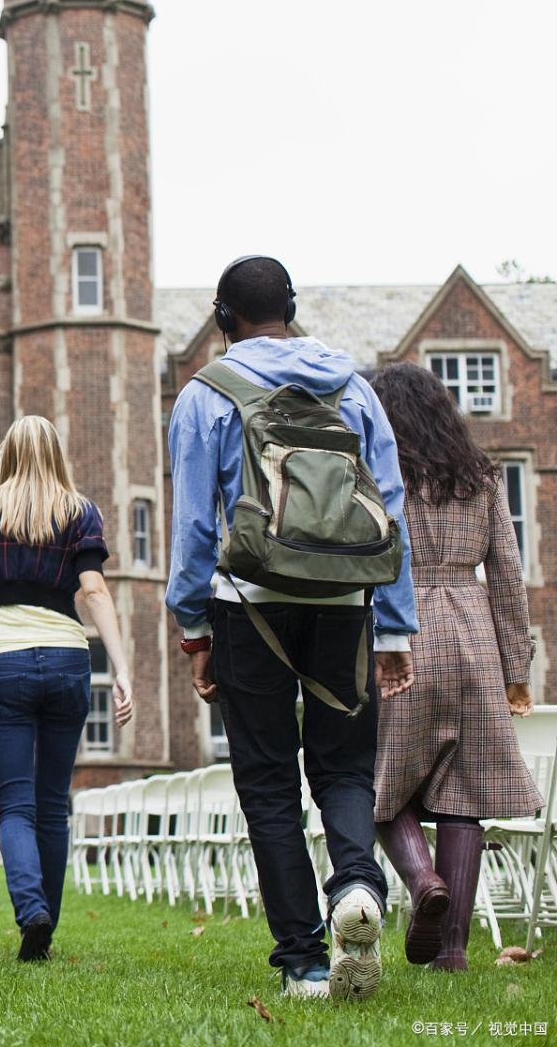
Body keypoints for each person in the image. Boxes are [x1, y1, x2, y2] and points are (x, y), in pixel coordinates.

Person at [166, 255, 418, 1001]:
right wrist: (396, 629)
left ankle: (305, 963)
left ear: (222, 320)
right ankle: (355, 890)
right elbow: (390, 512)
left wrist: (192, 628)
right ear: (293, 308)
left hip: (248, 605)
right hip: (346, 606)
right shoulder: (355, 389)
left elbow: (193, 529)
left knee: (269, 780)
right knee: (344, 767)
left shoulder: (205, 395)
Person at [0, 416, 133, 961]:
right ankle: (44, 933)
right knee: (53, 804)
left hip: (2, 659)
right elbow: (94, 591)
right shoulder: (79, 512)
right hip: (68, 658)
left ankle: (31, 911)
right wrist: (121, 667)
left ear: (7, 455)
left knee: (15, 805)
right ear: (57, 456)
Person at [368, 361, 542, 972]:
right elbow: (507, 576)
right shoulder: (482, 476)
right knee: (463, 794)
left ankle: (422, 884)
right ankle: (453, 953)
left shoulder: (379, 475)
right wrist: (516, 663)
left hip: (400, 633)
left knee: (382, 785)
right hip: (472, 637)